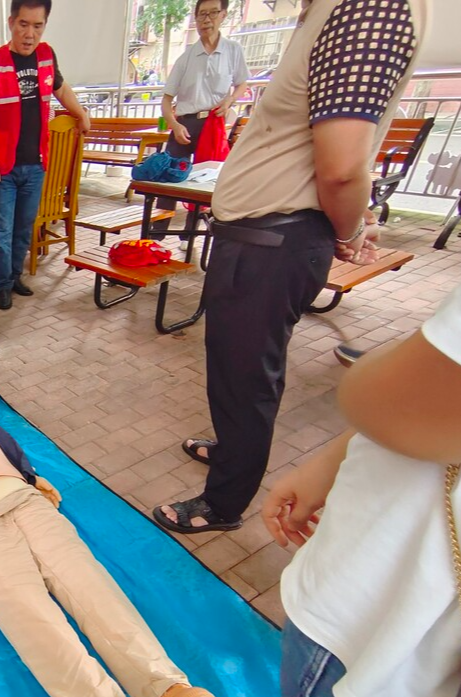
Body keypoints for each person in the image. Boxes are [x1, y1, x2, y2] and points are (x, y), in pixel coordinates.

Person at [154, 0, 430, 534]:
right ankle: (234, 452)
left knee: (248, 377)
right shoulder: (339, 11)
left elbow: (344, 165)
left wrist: (349, 231)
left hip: (273, 241)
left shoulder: (370, 8)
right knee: (232, 370)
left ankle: (224, 503)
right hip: (259, 238)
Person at [0, 405, 214, 697]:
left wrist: (32, 475)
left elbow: (6, 446)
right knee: (30, 618)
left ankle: (166, 685)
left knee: (91, 587)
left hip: (25, 501)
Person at [261, 282, 461, 697]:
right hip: (405, 613)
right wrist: (332, 460)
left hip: (381, 611)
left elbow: (396, 398)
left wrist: (386, 363)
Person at [0, 0, 90, 310]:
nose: (29, 34)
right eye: (23, 24)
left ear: (44, 26)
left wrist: (81, 114)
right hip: (3, 166)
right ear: (12, 22)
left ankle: (14, 277)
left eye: (37, 26)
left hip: (35, 163)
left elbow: (62, 90)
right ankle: (2, 286)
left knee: (24, 228)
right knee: (1, 231)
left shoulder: (47, 56)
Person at [151, 0, 249, 236]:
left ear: (223, 15)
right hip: (185, 122)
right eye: (201, 15)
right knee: (170, 176)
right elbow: (166, 100)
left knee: (204, 181)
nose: (206, 19)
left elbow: (242, 83)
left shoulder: (232, 50)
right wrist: (174, 125)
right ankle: (157, 232)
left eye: (212, 13)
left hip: (212, 124)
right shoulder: (187, 57)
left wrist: (229, 100)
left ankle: (190, 232)